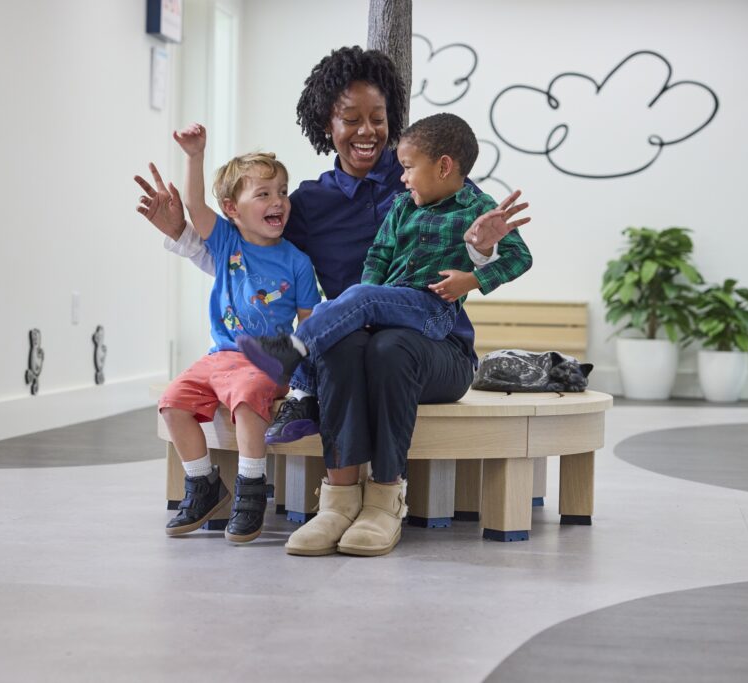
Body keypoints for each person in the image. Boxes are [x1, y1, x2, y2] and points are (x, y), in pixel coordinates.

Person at [136, 46, 530, 557]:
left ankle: (386, 498)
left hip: (435, 351)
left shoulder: (423, 179)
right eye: (351, 119)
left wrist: (483, 253)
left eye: (378, 119)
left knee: (389, 349)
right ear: (328, 123)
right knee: (344, 347)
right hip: (347, 350)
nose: (367, 131)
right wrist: (184, 237)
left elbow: (484, 241)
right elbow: (254, 260)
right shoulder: (309, 203)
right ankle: (339, 502)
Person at [236, 113, 532, 400]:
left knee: (362, 300)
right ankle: (305, 387)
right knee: (339, 306)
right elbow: (378, 256)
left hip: (432, 310)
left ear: (442, 167)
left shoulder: (477, 207)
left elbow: (520, 257)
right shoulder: (404, 206)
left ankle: (293, 351)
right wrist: (368, 290)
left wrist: (472, 280)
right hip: (396, 301)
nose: (402, 177)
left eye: (408, 168)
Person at [136, 125, 321, 543]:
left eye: (282, 191)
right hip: (218, 357)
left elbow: (310, 327)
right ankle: (203, 485)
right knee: (172, 402)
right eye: (264, 194)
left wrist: (299, 374)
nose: (278, 201)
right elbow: (194, 205)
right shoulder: (224, 242)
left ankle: (251, 490)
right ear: (231, 208)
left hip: (265, 364)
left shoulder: (298, 263)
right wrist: (194, 156)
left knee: (246, 399)